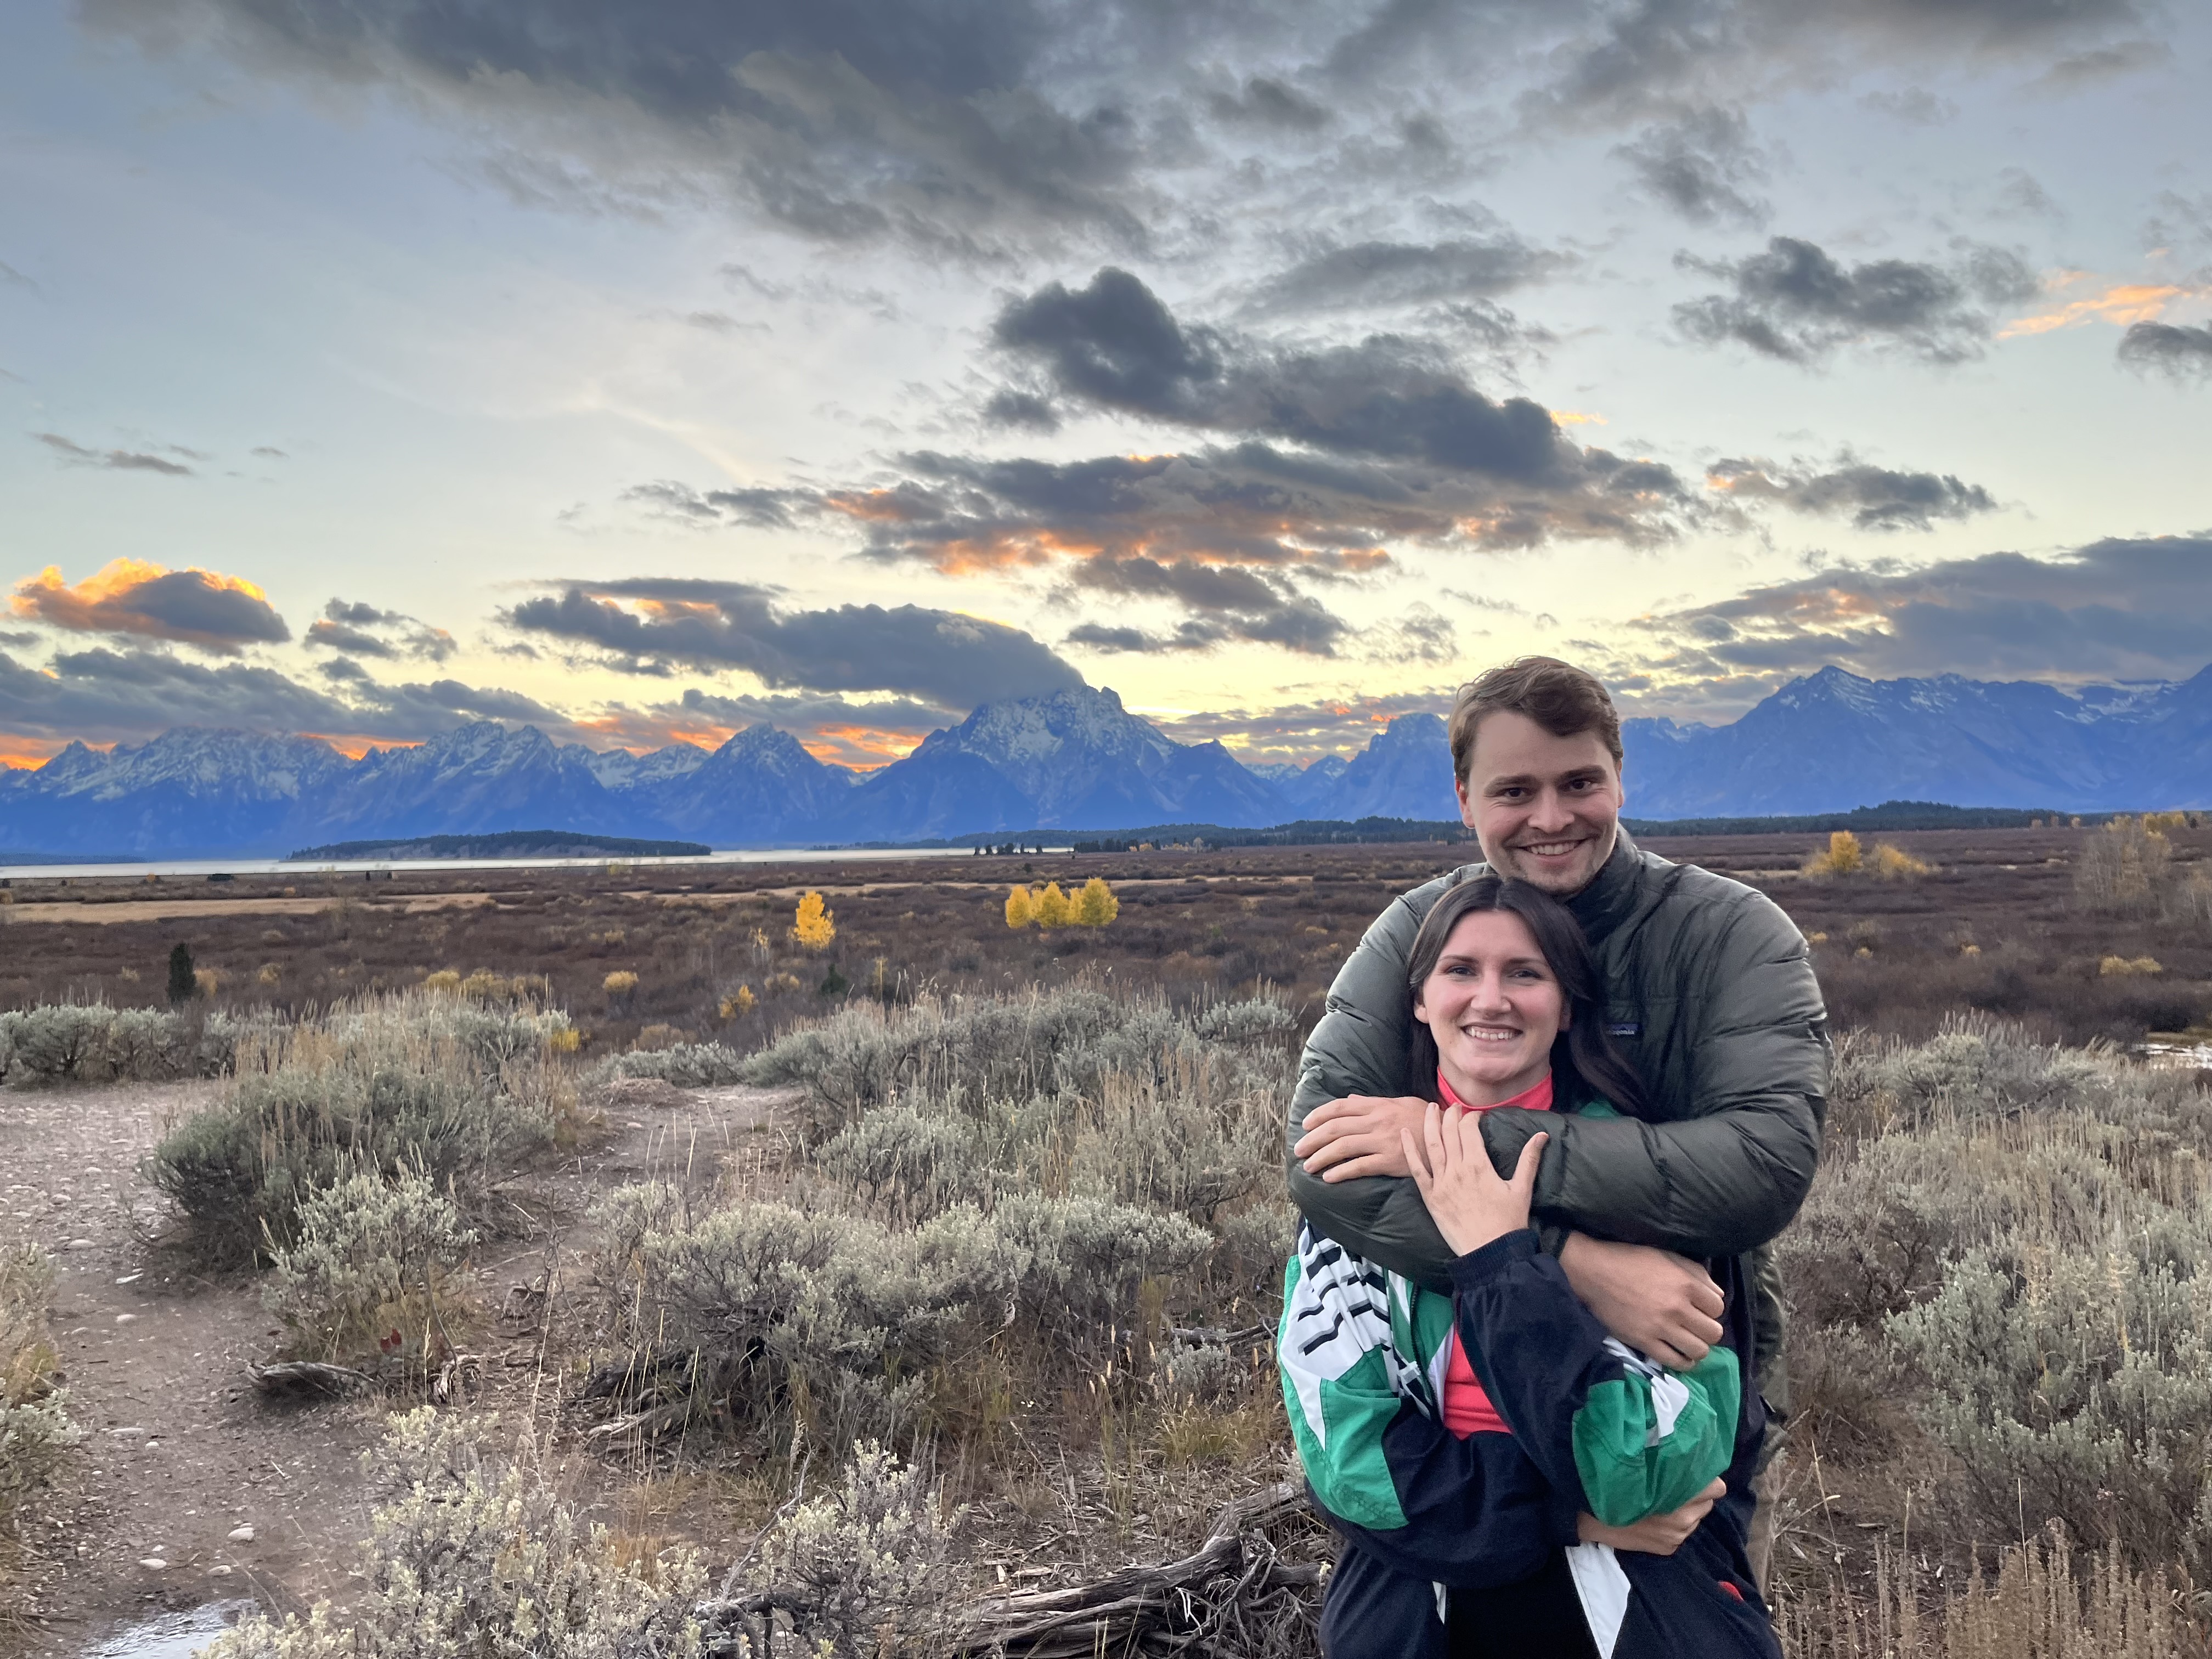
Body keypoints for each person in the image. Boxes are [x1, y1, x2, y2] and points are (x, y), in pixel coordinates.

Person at [1288, 658, 1829, 1494]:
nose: (1550, 818)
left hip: (1685, 1380)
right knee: (1457, 1598)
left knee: (1682, 1609)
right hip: (1443, 1405)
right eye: (1514, 792)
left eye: (1579, 782)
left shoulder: (1733, 936)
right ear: (1465, 799)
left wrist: (1462, 1144)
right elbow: (1322, 1161)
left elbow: (1762, 1167)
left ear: (1620, 780)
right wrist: (1571, 1267)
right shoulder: (1417, 933)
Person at [1281, 877, 1779, 1658]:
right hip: (1421, 1601)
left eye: (1526, 973)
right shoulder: (1360, 1175)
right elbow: (1352, 1464)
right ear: (1418, 1000)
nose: (1492, 999)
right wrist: (1565, 1517)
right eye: (1461, 970)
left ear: (1568, 1005)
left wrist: (1505, 1263)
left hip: (1639, 1599)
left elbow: (1651, 1470)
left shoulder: (1644, 1183)